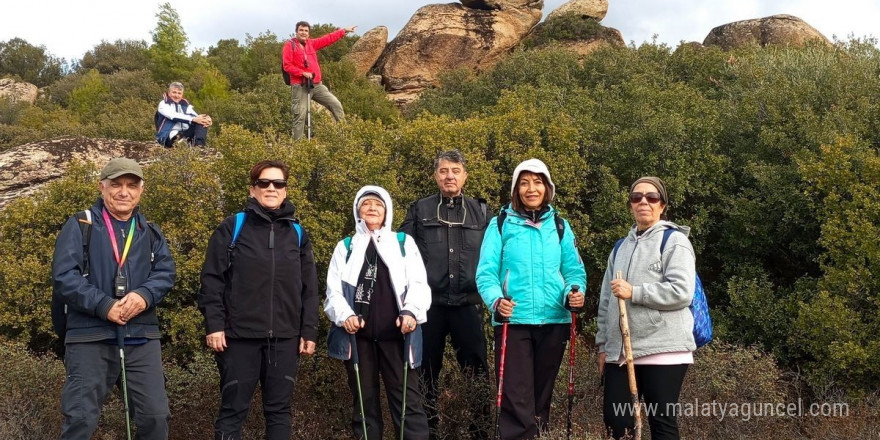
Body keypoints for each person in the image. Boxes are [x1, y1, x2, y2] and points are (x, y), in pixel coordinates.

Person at [52, 157, 176, 440]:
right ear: (102, 187)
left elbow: (166, 273)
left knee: (155, 417)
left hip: (141, 336)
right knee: (80, 419)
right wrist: (104, 305)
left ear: (141, 190)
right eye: (116, 184)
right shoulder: (79, 224)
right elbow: (64, 277)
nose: (124, 192)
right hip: (89, 336)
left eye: (132, 185)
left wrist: (144, 296)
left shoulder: (151, 231)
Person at [198, 160, 320, 440]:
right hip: (238, 337)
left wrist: (309, 330)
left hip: (286, 338)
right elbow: (212, 279)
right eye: (264, 183)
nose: (271, 188)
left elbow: (309, 287)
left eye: (278, 184)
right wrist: (214, 325)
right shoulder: (233, 227)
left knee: (279, 412)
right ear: (253, 189)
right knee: (232, 411)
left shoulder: (298, 233)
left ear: (285, 191)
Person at [476, 158, 587, 440]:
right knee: (515, 397)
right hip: (513, 321)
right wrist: (496, 301)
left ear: (547, 187)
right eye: (524, 183)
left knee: (541, 395)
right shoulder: (500, 224)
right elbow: (486, 273)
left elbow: (573, 270)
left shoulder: (561, 225)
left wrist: (573, 293)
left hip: (554, 319)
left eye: (537, 182)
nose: (531, 188)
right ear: (516, 189)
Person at [324, 185, 431, 440]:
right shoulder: (346, 247)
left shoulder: (403, 243)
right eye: (366, 204)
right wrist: (345, 316)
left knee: (408, 405)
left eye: (378, 204)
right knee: (364, 407)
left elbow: (419, 284)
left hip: (398, 338)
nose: (372, 208)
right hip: (358, 340)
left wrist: (411, 312)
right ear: (357, 210)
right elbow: (333, 293)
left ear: (388, 211)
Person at [399, 150, 492, 439]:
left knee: (477, 373)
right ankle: (428, 432)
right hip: (430, 307)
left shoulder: (483, 212)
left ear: (465, 175)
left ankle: (480, 432)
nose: (449, 176)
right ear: (435, 175)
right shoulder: (418, 210)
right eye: (443, 171)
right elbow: (403, 257)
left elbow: (495, 258)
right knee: (425, 374)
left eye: (455, 170)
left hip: (469, 305)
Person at [595, 176, 696, 440]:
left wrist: (635, 292)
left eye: (651, 198)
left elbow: (682, 292)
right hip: (621, 352)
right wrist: (603, 345)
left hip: (664, 348)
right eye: (636, 197)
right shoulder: (620, 247)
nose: (643, 202)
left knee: (661, 423)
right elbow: (606, 300)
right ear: (630, 204)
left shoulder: (674, 242)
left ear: (663, 205)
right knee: (617, 423)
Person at [282, 21, 356, 140]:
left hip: (317, 85)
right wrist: (302, 73)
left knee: (335, 104)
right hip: (300, 86)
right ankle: (298, 148)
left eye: (306, 31)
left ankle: (345, 138)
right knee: (299, 116)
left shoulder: (311, 43)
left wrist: (344, 31)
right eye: (301, 30)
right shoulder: (289, 45)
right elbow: (287, 65)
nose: (303, 33)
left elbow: (328, 39)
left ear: (309, 33)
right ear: (296, 31)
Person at [155, 81, 212, 147]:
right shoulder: (163, 104)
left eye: (179, 93)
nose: (176, 95)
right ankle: (182, 143)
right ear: (169, 93)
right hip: (169, 135)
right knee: (195, 121)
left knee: (201, 122)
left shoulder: (185, 105)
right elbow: (173, 116)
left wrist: (207, 119)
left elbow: (196, 117)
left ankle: (199, 146)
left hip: (185, 133)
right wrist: (193, 119)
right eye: (174, 92)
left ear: (182, 95)